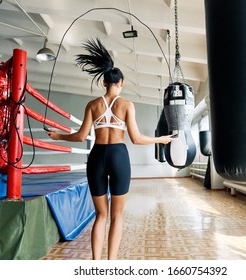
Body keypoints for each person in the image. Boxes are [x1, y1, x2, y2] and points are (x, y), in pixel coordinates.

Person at [46, 38, 173, 260]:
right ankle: (110, 265)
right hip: (118, 156)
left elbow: (81, 136)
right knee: (117, 215)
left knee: (101, 215)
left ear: (103, 83)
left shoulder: (93, 105)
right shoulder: (127, 105)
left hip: (96, 157)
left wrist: (59, 136)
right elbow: (135, 138)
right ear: (121, 83)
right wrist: (160, 140)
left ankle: (96, 265)